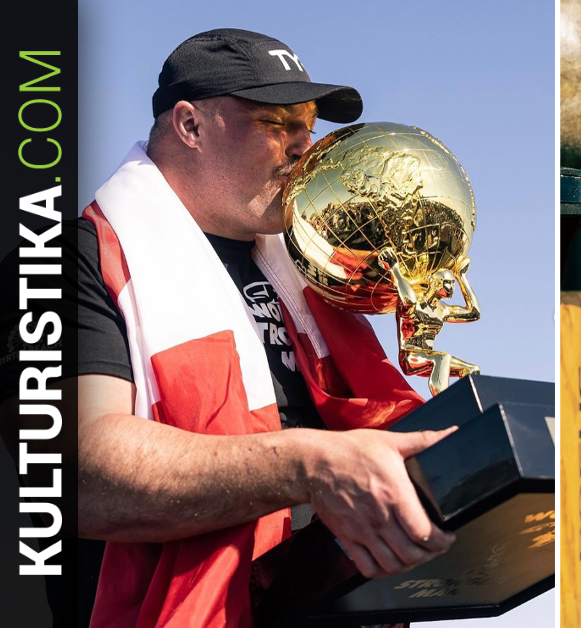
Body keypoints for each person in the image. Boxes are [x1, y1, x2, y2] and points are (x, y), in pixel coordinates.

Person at [1, 28, 456, 627]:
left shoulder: (314, 267)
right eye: (277, 124)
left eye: (309, 126)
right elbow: (71, 474)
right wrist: (310, 465)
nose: (306, 149)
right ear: (189, 126)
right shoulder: (67, 260)